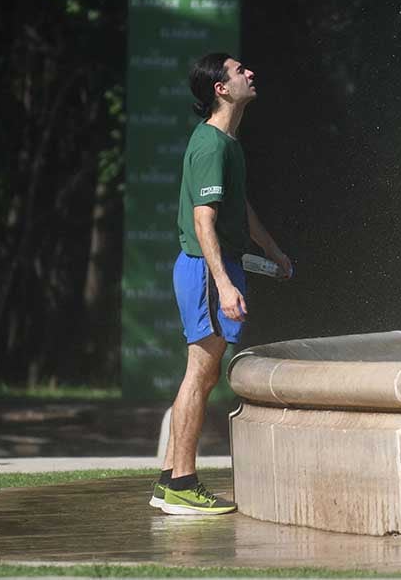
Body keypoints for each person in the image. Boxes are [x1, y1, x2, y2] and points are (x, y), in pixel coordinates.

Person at [150, 52, 292, 515]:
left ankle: (168, 480)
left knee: (204, 374)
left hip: (217, 267)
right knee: (199, 374)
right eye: (238, 71)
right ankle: (183, 485)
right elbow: (203, 220)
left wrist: (271, 249)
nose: (250, 72)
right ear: (221, 89)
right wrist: (224, 285)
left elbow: (240, 208)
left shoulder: (228, 144)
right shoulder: (211, 144)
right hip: (207, 270)